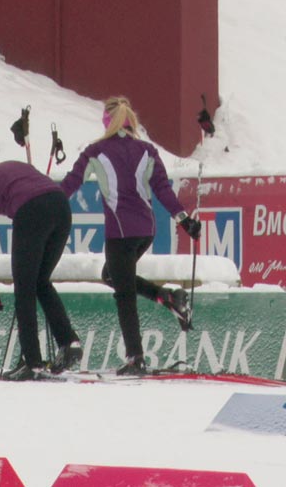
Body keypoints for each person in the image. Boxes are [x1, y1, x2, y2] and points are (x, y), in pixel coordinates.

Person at [59, 96, 201, 376]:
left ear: (107, 123)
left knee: (124, 294)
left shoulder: (95, 152)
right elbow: (162, 189)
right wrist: (184, 220)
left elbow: (70, 184)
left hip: (120, 233)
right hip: (145, 231)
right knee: (113, 276)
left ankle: (136, 357)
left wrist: (45, 201)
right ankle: (167, 296)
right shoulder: (147, 150)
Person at [0, 160, 83, 381]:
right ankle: (68, 342)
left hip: (31, 210)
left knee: (24, 289)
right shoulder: (6, 168)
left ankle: (32, 362)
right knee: (41, 282)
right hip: (61, 205)